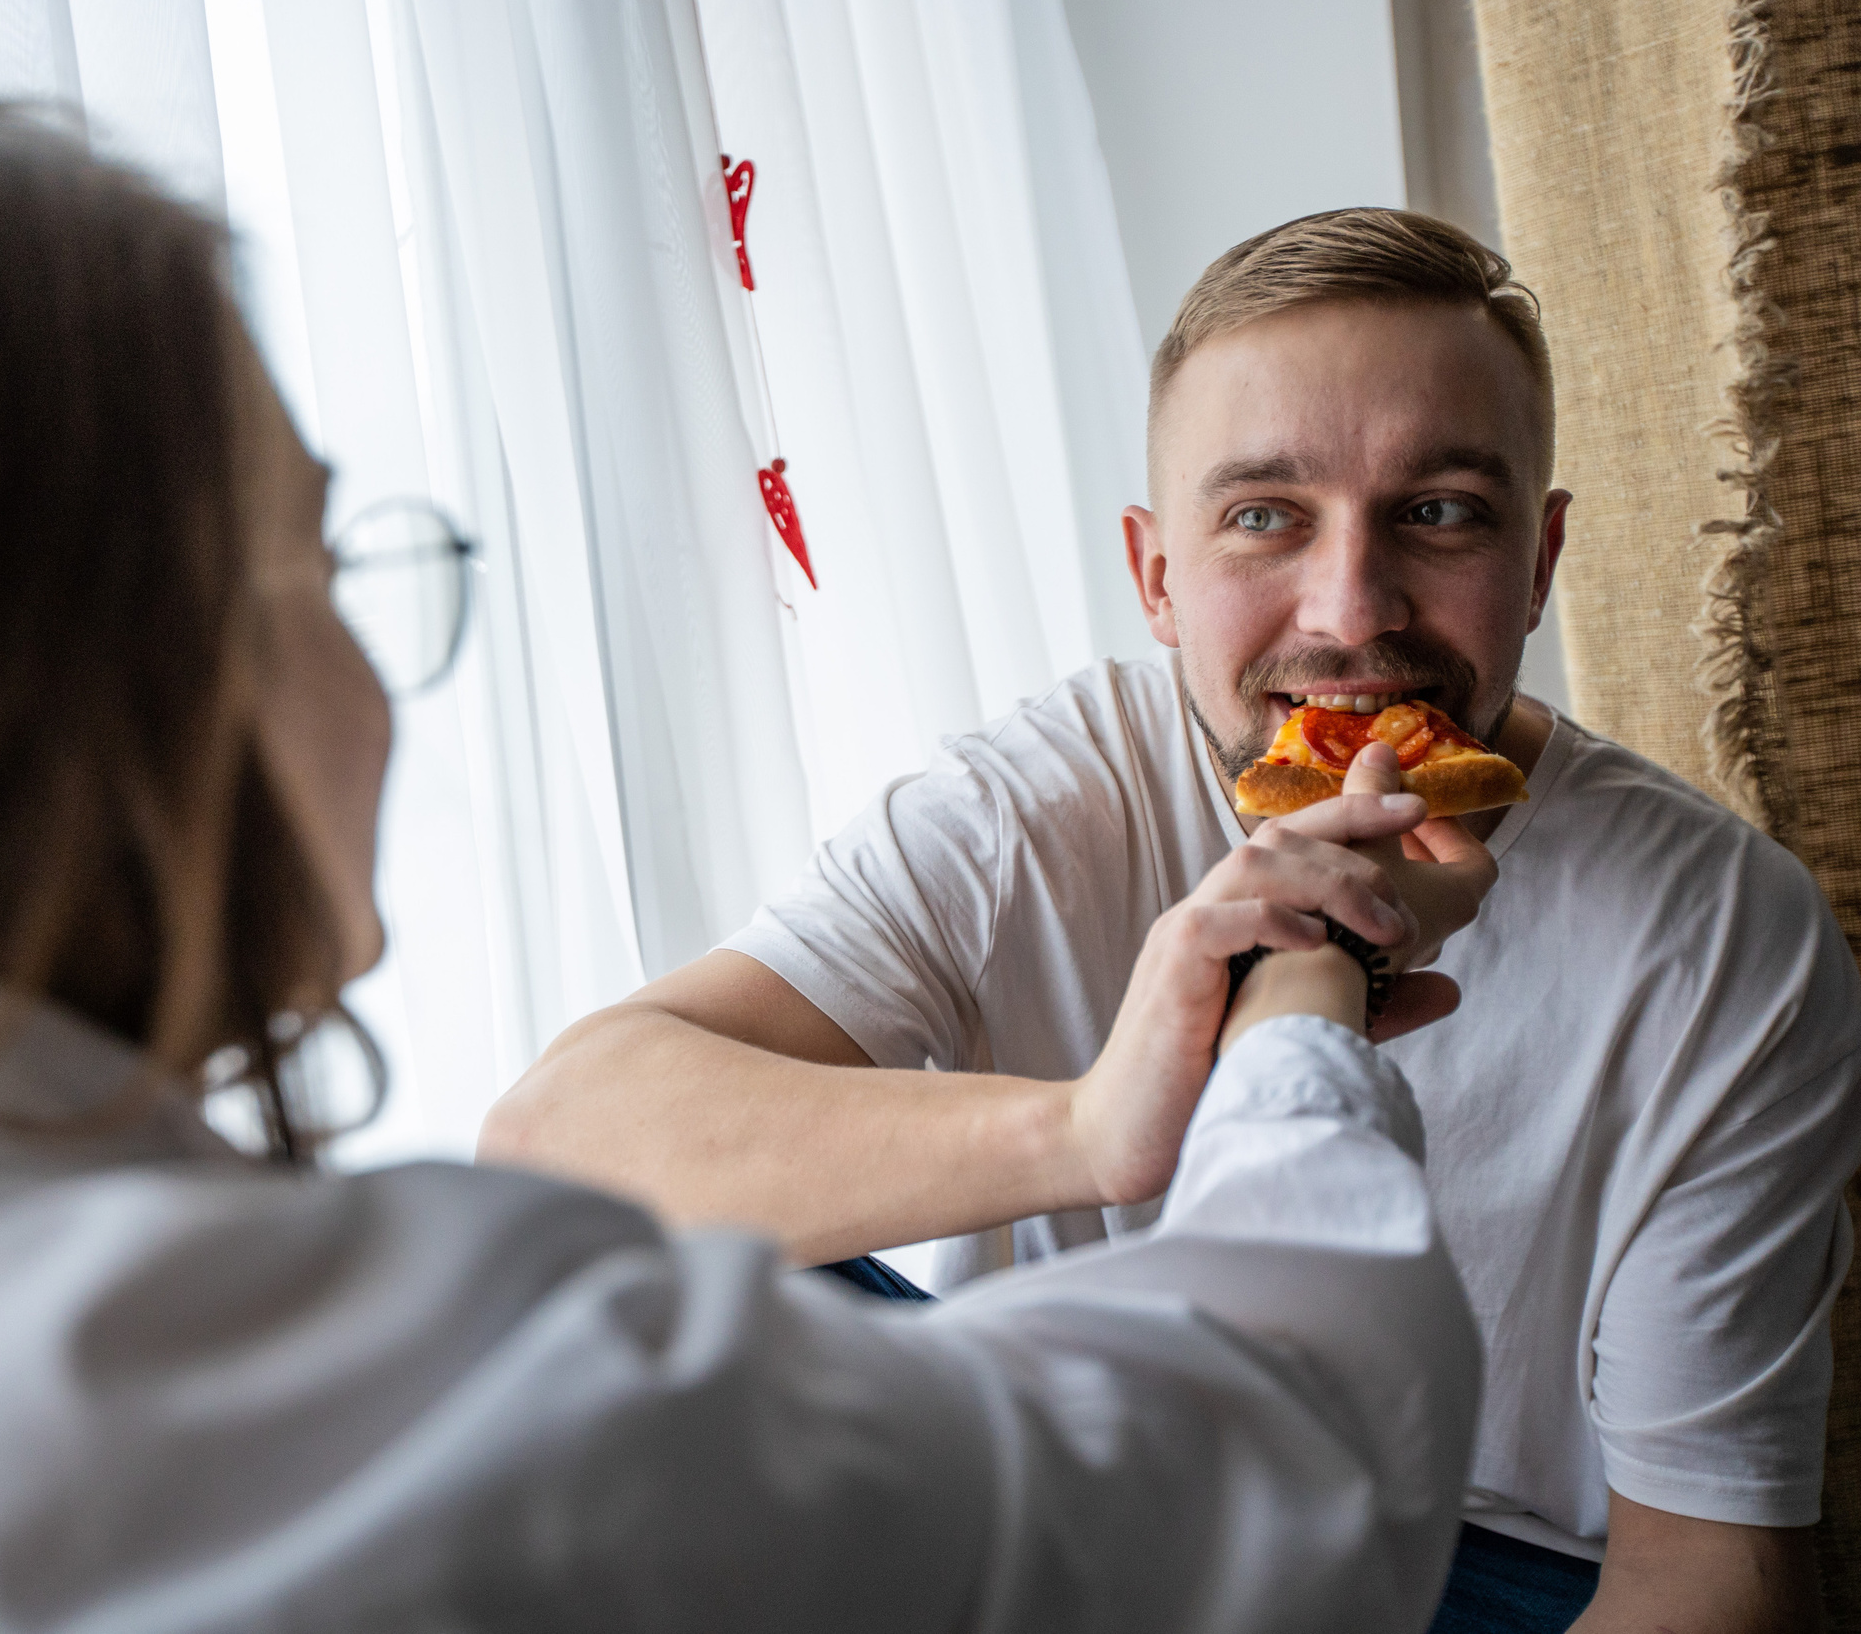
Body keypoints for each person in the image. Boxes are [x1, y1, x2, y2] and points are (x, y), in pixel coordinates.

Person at [0, 90, 1482, 1632]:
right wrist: (1295, 977)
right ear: (126, 674)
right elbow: (1285, 1442)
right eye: (318, 556)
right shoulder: (447, 1392)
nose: (373, 667)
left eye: (1442, 513)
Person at [485, 207, 1861, 1632]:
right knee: (673, 1288)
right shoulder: (1038, 800)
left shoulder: (1723, 933)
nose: (1351, 611)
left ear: (1541, 558)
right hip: (1072, 1492)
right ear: (1155, 577)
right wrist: (1092, 1127)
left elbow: (1713, 1581)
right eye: (1265, 516)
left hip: (1467, 1577)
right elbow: (555, 1144)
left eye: (1440, 511)